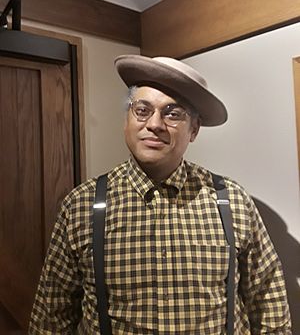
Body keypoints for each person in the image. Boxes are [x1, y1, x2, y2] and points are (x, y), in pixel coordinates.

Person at [29, 55, 291, 334]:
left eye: (172, 113)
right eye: (142, 110)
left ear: (194, 130)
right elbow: (51, 318)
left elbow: (269, 305)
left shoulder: (232, 202)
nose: (154, 124)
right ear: (127, 119)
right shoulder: (81, 206)